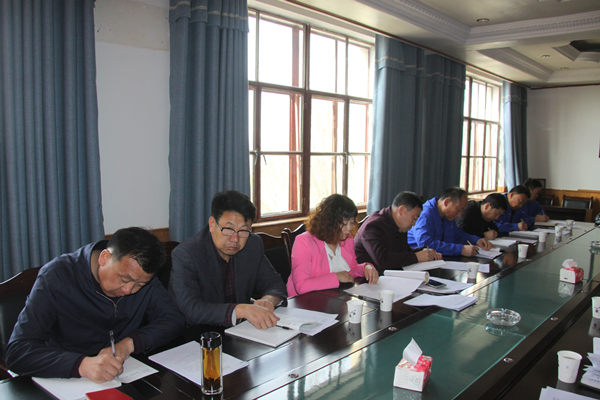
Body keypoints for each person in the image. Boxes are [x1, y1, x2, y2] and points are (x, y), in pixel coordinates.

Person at [5, 227, 185, 383]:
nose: (129, 290)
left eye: (140, 285)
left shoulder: (141, 276)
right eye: (124, 279)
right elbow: (17, 351)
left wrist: (129, 344)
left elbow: (173, 319)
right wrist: (81, 365)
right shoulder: (57, 277)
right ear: (104, 257)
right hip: (69, 379)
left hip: (126, 376)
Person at [170, 190, 287, 330]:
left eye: (243, 231)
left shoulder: (253, 245)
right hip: (200, 334)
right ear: (212, 224)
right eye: (228, 229)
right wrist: (241, 310)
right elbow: (191, 309)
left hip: (242, 330)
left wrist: (269, 300)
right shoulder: (187, 254)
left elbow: (275, 284)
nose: (235, 239)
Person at [287, 194, 379, 297]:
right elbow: (301, 286)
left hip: (332, 299)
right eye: (344, 223)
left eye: (352, 222)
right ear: (329, 222)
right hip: (302, 301)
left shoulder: (347, 239)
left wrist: (365, 268)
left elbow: (351, 270)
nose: (349, 228)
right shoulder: (303, 242)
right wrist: (336, 277)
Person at [354, 191, 441, 272]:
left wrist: (425, 252)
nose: (414, 224)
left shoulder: (400, 225)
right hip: (365, 278)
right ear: (401, 210)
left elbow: (403, 252)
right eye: (414, 218)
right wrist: (416, 257)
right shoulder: (373, 226)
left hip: (388, 275)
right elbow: (383, 260)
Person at [407, 187, 492, 257]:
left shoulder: (448, 216)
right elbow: (425, 244)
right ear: (447, 202)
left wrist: (476, 240)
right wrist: (460, 249)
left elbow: (458, 235)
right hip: (418, 260)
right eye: (459, 210)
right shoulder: (425, 215)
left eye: (462, 211)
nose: (459, 215)